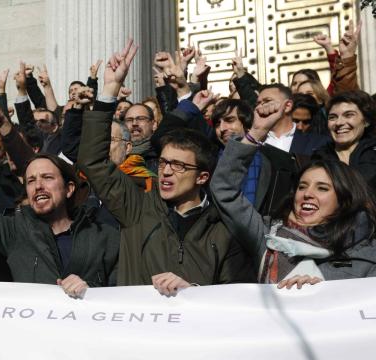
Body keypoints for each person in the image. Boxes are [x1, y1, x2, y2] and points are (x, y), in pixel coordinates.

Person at [78, 39, 253, 294]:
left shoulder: (223, 230)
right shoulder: (137, 207)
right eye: (163, 163)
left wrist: (191, 291)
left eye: (179, 166)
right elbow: (92, 161)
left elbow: (234, 301)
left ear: (202, 177)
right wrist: (109, 90)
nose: (166, 171)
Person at [0, 111, 119, 298]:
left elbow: (125, 294)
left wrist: (91, 290)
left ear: (69, 189)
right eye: (30, 181)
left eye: (47, 178)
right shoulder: (14, 231)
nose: (38, 186)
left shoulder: (105, 237)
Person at [211, 98, 376, 288]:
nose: (307, 194)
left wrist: (324, 290)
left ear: (344, 199)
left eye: (322, 188)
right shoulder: (267, 235)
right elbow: (224, 189)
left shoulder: (366, 249)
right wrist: (257, 132)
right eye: (302, 186)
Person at [313, 90, 376, 191]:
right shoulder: (318, 157)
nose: (339, 123)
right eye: (333, 117)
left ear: (366, 121)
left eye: (348, 115)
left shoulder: (373, 153)